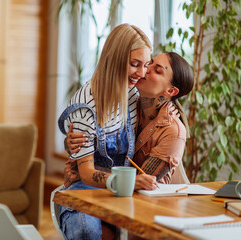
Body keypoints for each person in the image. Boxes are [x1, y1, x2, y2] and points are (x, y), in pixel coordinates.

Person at [57, 23, 154, 240]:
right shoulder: (85, 103)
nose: (141, 73)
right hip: (85, 190)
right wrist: (127, 182)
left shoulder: (131, 95)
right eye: (135, 64)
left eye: (146, 65)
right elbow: (86, 173)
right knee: (87, 233)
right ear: (114, 60)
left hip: (119, 193)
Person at [64, 52, 194, 191]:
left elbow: (140, 182)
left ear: (170, 91)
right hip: (106, 193)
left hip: (144, 205)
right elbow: (93, 141)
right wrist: (71, 143)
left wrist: (87, 172)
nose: (146, 69)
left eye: (157, 70)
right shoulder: (126, 103)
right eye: (149, 62)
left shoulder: (173, 132)